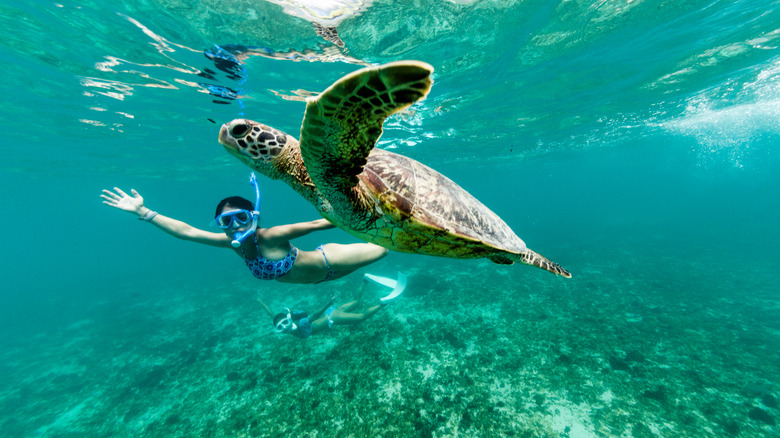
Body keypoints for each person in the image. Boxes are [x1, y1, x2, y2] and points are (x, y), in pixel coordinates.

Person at [100, 175, 388, 284]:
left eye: (240, 217)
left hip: (330, 260)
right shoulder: (231, 245)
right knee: (368, 264)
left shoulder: (272, 235)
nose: (234, 226)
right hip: (322, 279)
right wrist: (144, 213)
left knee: (386, 248)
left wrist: (370, 209)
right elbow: (186, 232)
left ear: (254, 216)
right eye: (225, 222)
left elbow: (317, 223)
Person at [258, 272, 406, 339]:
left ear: (289, 319)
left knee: (361, 317)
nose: (284, 327)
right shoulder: (287, 325)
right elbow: (272, 314)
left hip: (331, 315)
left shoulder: (300, 323)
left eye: (284, 324)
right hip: (330, 312)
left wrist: (328, 303)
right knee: (356, 303)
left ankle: (383, 303)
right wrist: (260, 302)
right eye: (280, 327)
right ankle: (365, 279)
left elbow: (314, 315)